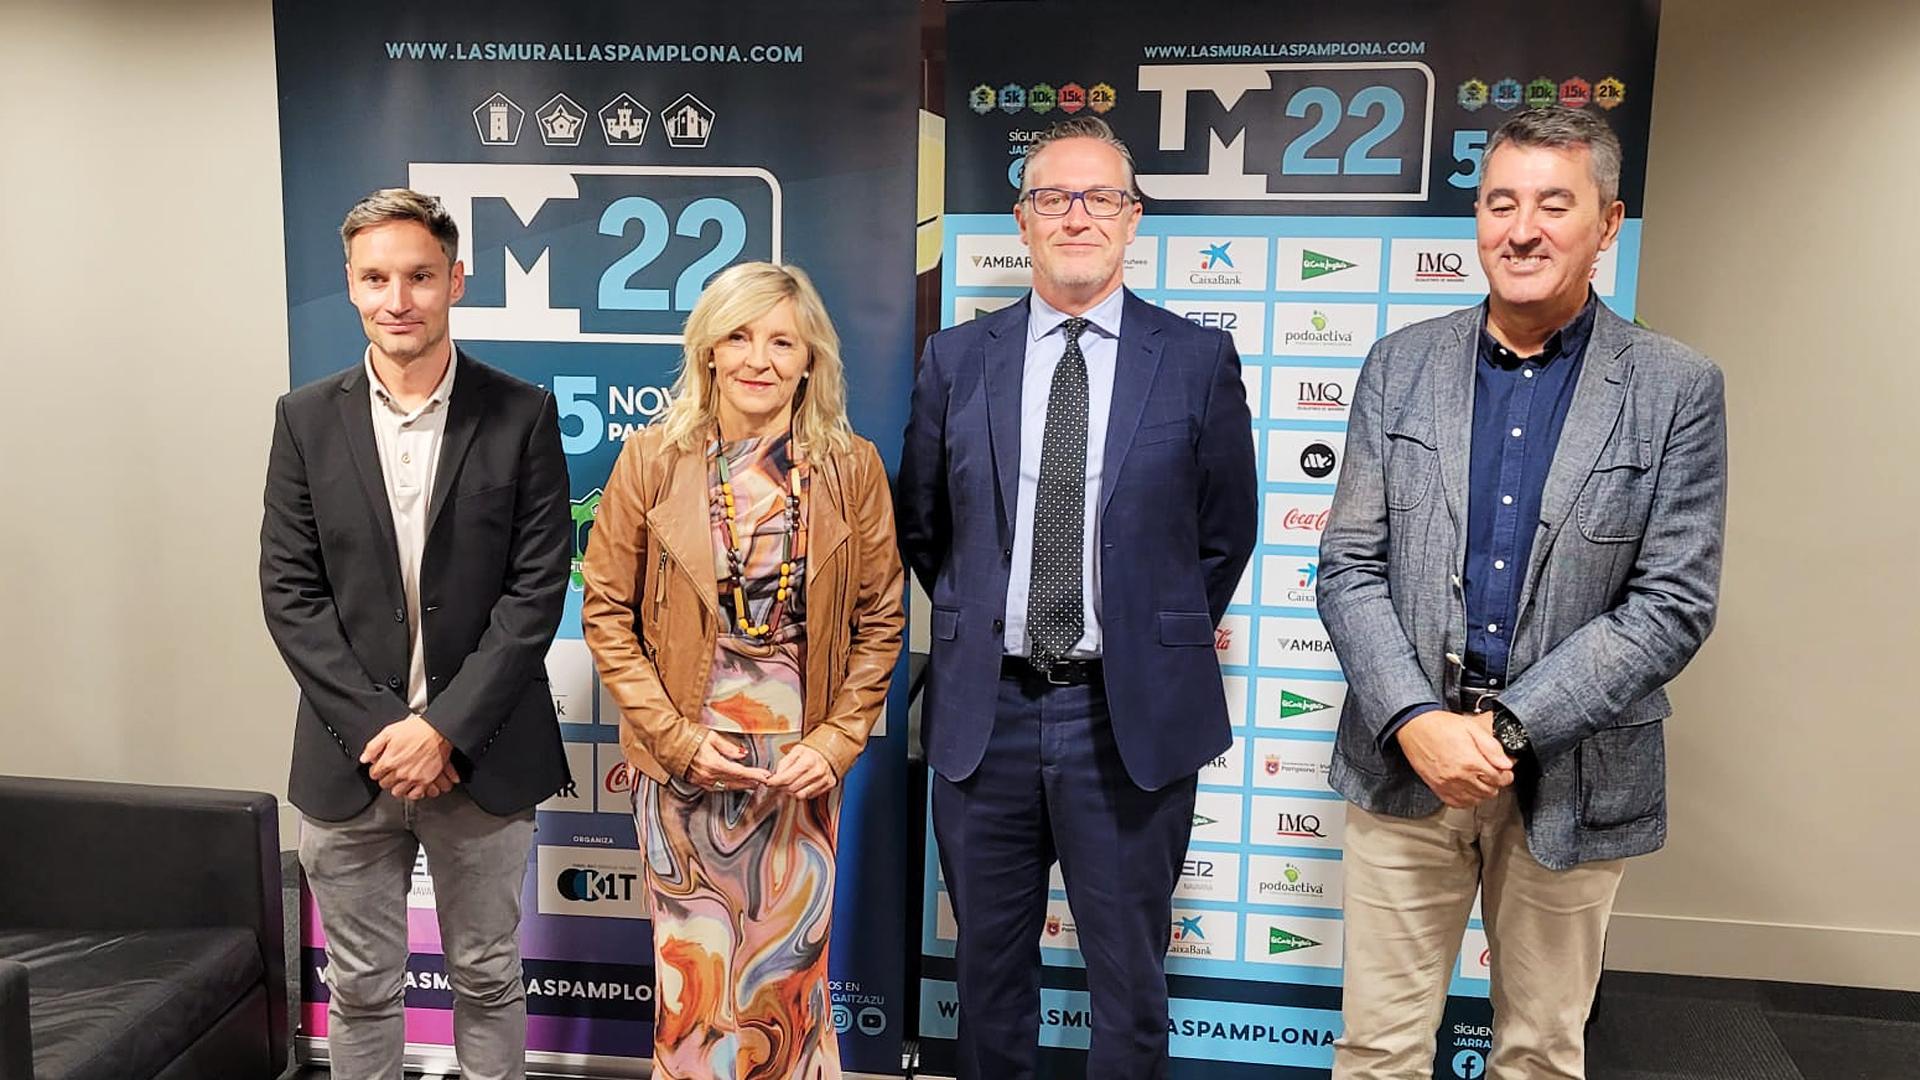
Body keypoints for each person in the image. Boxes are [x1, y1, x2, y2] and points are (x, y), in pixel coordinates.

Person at [1319, 105, 1728, 1079]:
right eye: (1501, 202)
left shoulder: (1676, 388)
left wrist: (1502, 731)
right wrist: (1418, 719)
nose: (1523, 228)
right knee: (1376, 1051)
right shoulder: (1401, 365)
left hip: (1574, 782)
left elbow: (1671, 603)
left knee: (1541, 1056)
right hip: (1402, 764)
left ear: (1607, 224)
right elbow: (1349, 565)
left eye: (1554, 203)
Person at [898, 115, 1259, 1079]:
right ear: (1022, 220)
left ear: (1133, 219)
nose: (1077, 216)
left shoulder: (1194, 360)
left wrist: (1146, 634)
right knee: (987, 976)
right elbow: (923, 527)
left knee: (1130, 983)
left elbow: (1224, 537)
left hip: (1127, 719)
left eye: (1100, 197)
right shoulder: (955, 359)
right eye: (1053, 196)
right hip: (989, 713)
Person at [260, 188, 572, 1080]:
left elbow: (535, 592)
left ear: (455, 280)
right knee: (359, 987)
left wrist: (442, 730)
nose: (398, 297)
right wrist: (381, 733)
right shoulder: (304, 419)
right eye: (376, 278)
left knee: (487, 974)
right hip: (346, 760)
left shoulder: (521, 415)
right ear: (352, 286)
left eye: (419, 276)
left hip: (484, 756)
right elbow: (290, 594)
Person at [580, 261, 904, 1079]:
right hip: (683, 765)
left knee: (787, 988)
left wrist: (833, 744)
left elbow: (881, 622)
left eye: (781, 341)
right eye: (739, 336)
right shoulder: (652, 460)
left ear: (809, 360)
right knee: (694, 995)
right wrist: (677, 740)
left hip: (797, 776)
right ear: (710, 352)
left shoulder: (853, 468)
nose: (759, 358)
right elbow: (606, 614)